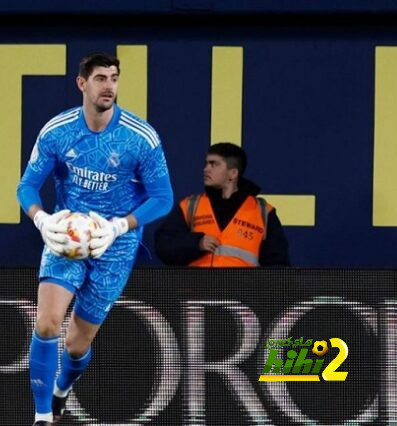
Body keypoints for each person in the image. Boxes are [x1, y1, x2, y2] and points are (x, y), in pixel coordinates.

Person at [16, 53, 173, 425]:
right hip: (66, 236)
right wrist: (41, 220)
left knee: (76, 344)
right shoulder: (57, 131)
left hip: (114, 245)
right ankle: (41, 417)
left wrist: (120, 226)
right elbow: (27, 186)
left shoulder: (141, 138)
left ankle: (62, 389)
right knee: (47, 324)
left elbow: (163, 197)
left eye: (115, 78)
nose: (109, 86)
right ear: (81, 83)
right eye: (101, 78)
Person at [155, 142, 290, 267]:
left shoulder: (263, 212)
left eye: (214, 164)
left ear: (233, 173)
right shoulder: (190, 205)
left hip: (241, 292)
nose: (206, 169)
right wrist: (196, 243)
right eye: (206, 163)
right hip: (196, 292)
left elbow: (278, 267)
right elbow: (163, 245)